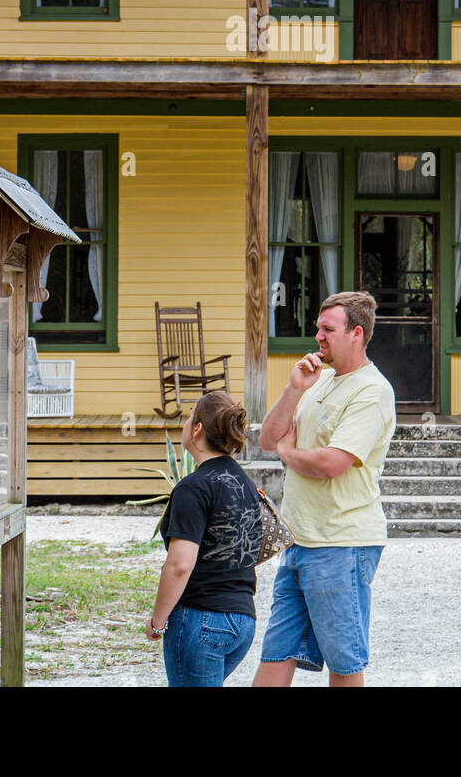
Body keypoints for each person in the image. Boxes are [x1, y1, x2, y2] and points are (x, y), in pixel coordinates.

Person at [253, 291, 396, 688]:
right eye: (317, 327)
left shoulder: (372, 390)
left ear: (356, 334)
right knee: (276, 653)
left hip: (342, 543)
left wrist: (290, 451)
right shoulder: (319, 379)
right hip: (299, 541)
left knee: (343, 662)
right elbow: (268, 439)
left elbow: (333, 463)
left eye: (327, 329)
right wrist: (295, 388)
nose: (317, 336)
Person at [146, 391, 262, 687]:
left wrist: (158, 621)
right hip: (242, 620)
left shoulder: (192, 488)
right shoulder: (246, 484)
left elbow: (179, 565)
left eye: (188, 418)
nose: (185, 424)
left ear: (197, 429)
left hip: (202, 620)